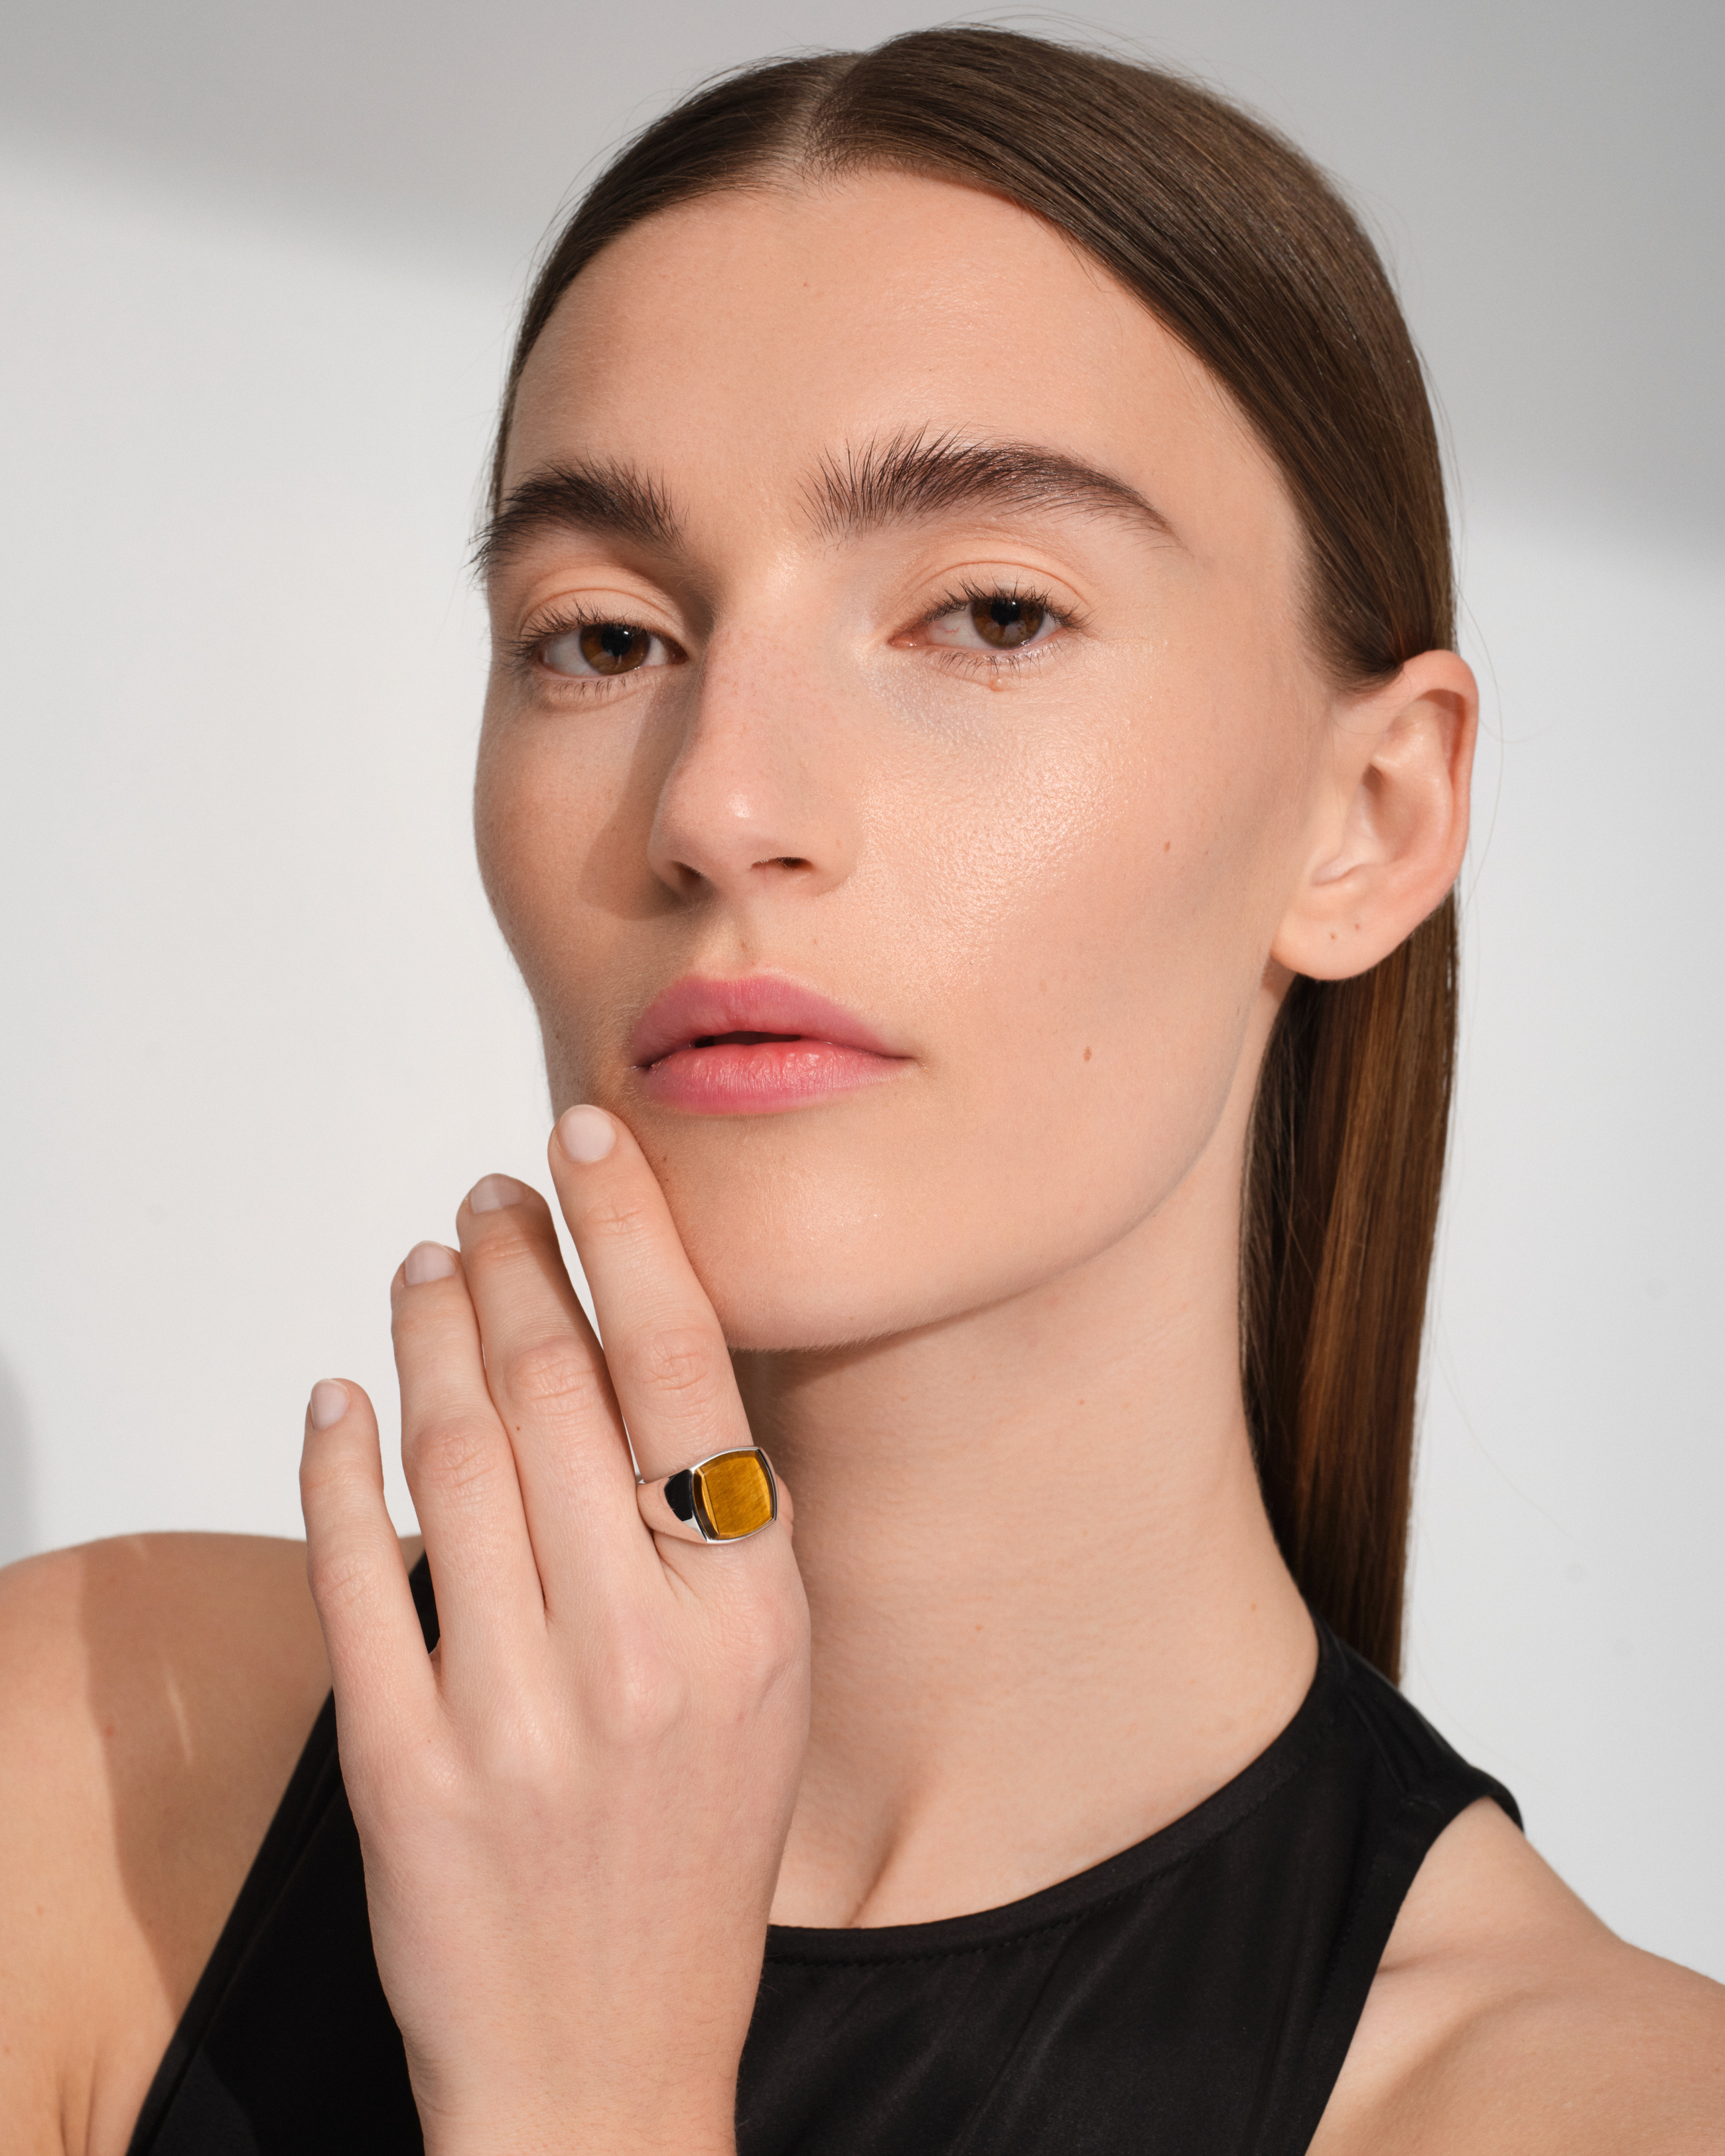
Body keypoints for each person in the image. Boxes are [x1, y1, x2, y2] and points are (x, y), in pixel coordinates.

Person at [2, 27, 1720, 2156]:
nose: (719, 803)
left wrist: (583, 2097)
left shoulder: (1608, 2107)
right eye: (604, 638)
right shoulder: (92, 1764)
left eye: (989, 613)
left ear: (1371, 817)